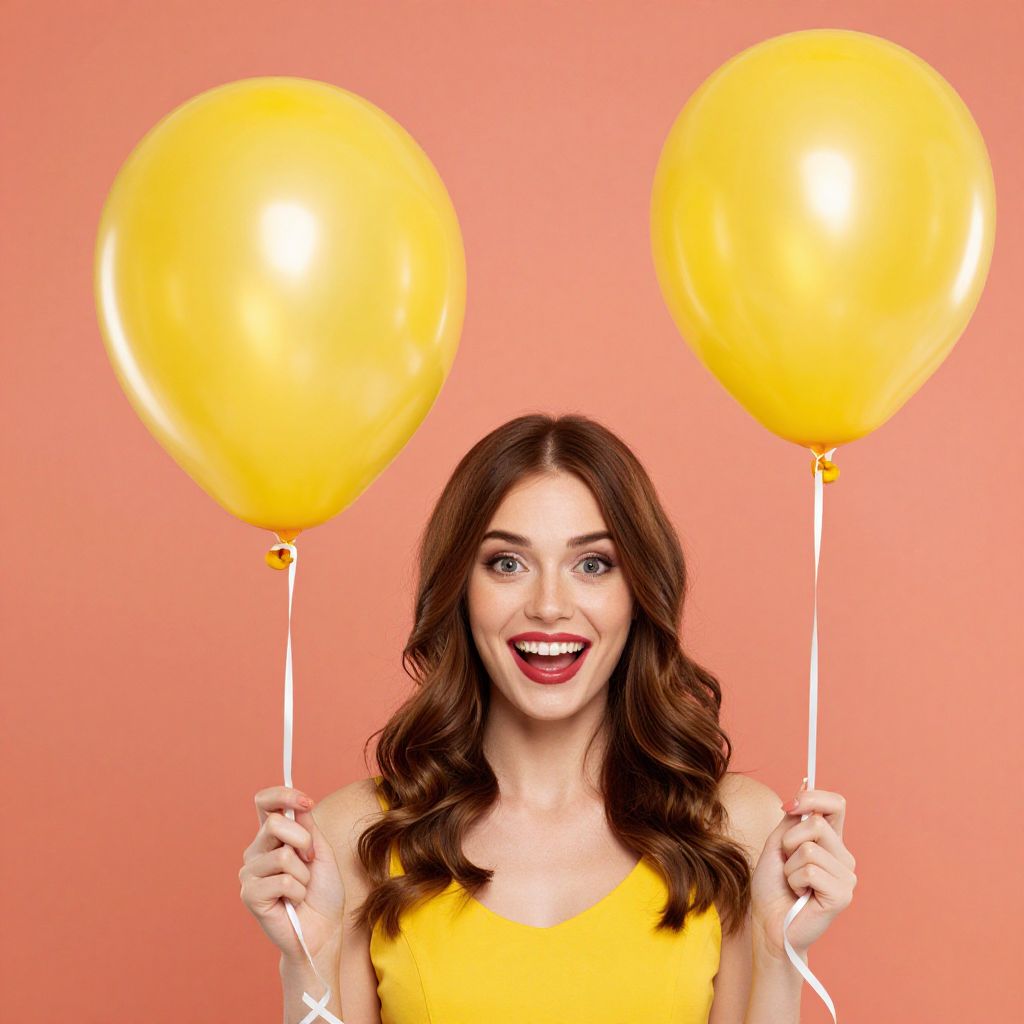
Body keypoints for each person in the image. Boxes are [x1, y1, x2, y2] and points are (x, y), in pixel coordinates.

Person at [240, 413, 857, 1024]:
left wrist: (782, 956)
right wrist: (306, 961)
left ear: (639, 592)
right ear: (460, 587)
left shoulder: (731, 828)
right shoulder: (356, 836)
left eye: (592, 565)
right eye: (507, 563)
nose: (549, 607)